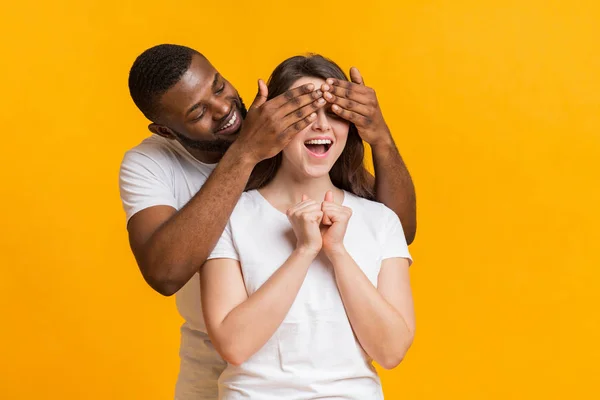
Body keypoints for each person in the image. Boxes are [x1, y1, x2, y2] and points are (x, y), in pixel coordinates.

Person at [119, 44, 417, 399]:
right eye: (198, 111)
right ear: (165, 131)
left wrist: (379, 137)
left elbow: (393, 230)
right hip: (216, 369)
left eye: (218, 86)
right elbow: (164, 272)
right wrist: (247, 150)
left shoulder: (285, 138)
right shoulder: (154, 166)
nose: (223, 108)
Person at [201, 54, 415, 399]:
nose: (321, 125)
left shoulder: (381, 220)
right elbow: (234, 346)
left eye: (333, 113)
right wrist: (304, 250)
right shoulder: (229, 216)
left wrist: (338, 252)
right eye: (302, 112)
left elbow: (391, 352)